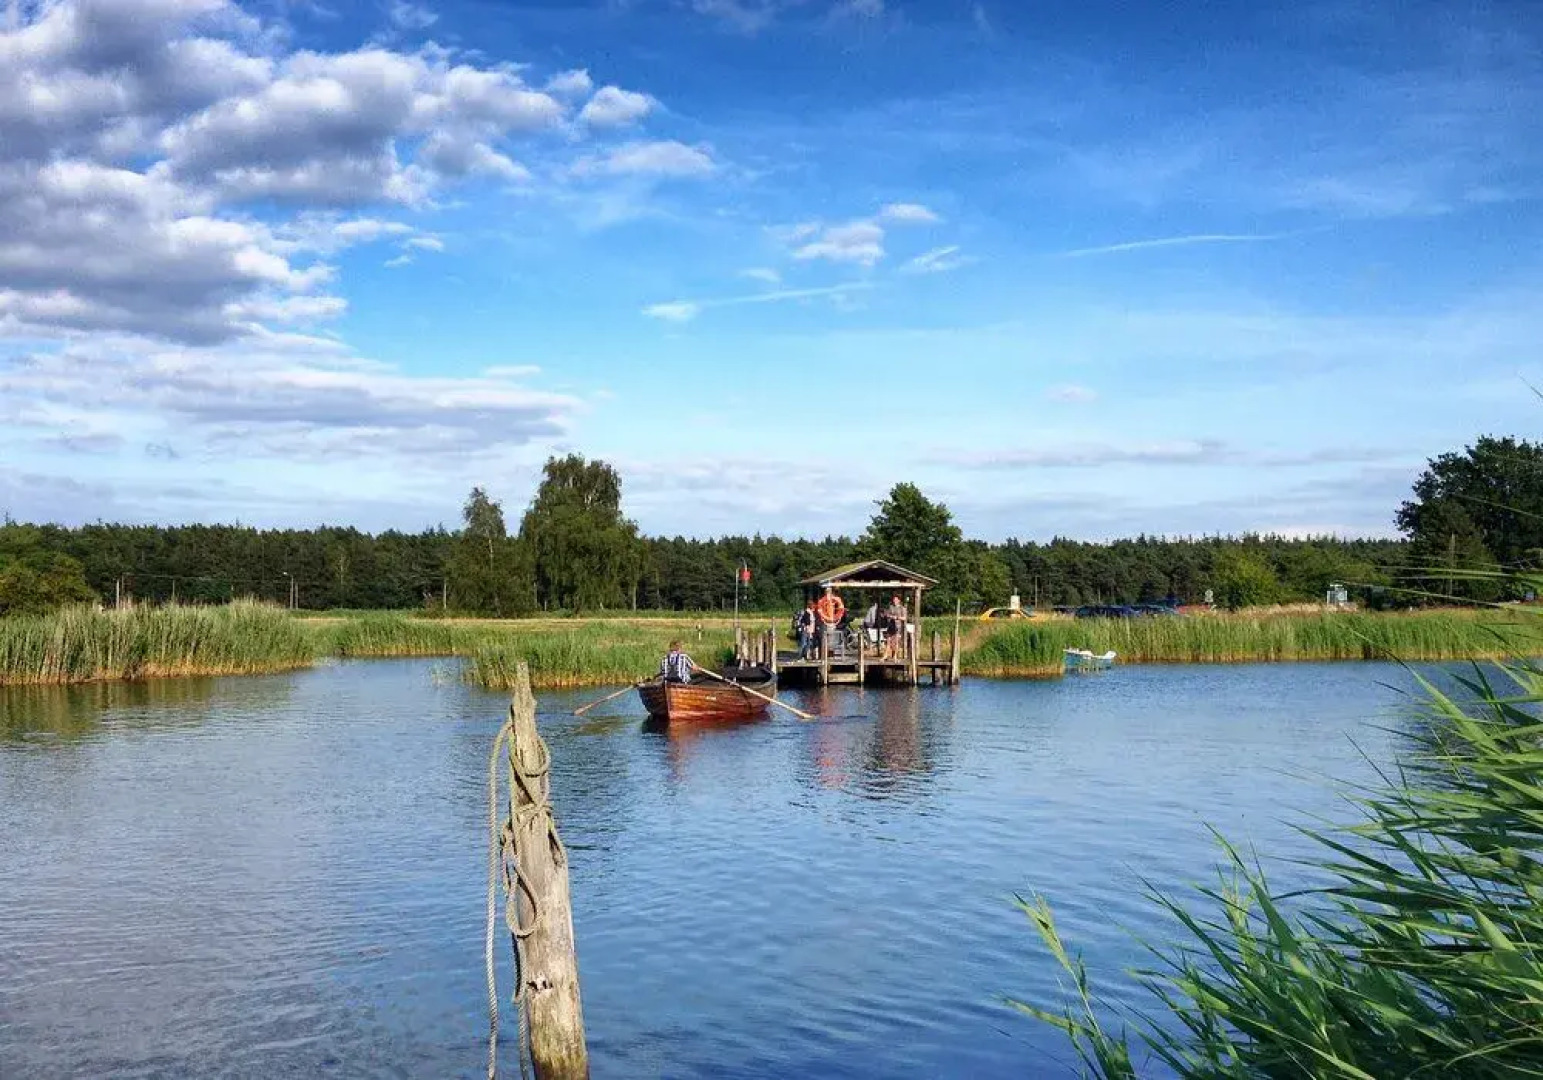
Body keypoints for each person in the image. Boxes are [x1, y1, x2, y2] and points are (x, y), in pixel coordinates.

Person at [883, 594, 907, 659]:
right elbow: (887, 614)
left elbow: (904, 618)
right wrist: (889, 616)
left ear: (899, 600)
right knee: (888, 641)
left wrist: (897, 617)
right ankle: (885, 655)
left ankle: (895, 656)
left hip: (898, 627)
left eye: (896, 600)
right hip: (890, 626)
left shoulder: (902, 608)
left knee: (896, 642)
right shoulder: (891, 607)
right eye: (894, 599)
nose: (894, 601)